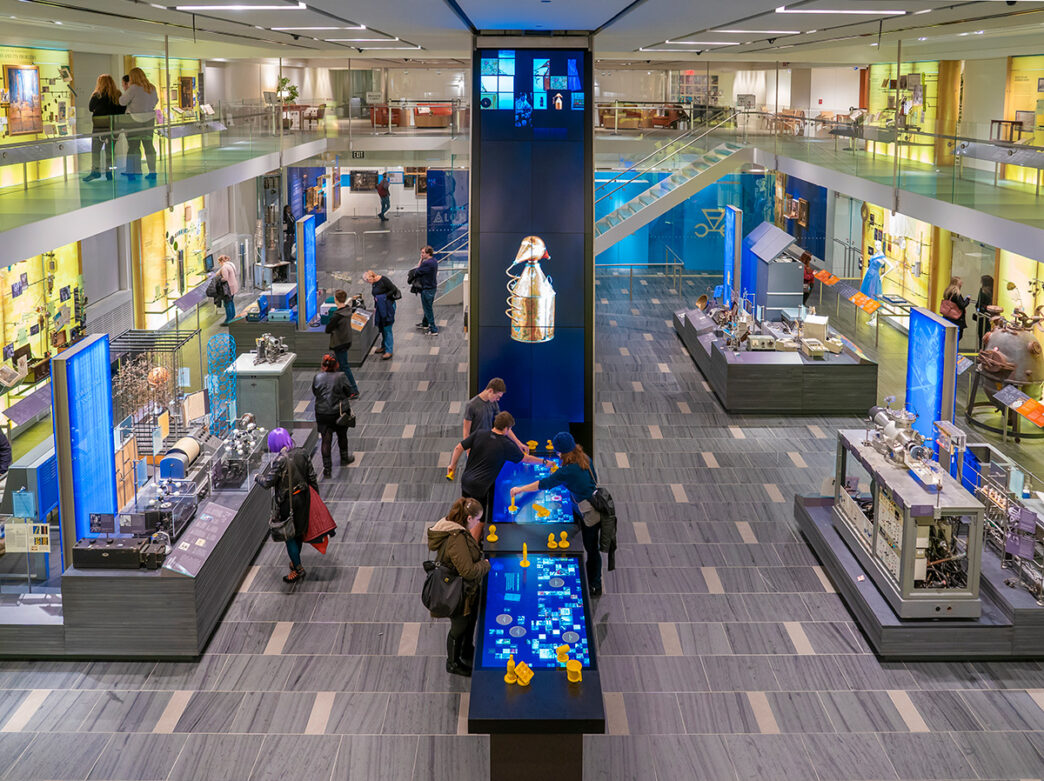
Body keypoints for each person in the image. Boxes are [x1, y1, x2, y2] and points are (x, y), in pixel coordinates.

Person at [510, 432, 603, 596]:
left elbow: (544, 484)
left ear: (561, 452)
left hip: (589, 513)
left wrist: (520, 489)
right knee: (588, 544)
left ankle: (595, 583)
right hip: (583, 504)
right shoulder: (584, 458)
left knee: (591, 548)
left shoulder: (567, 471)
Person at [427, 497, 489, 676]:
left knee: (467, 622)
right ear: (469, 518)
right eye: (477, 520)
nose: (478, 523)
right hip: (457, 592)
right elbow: (468, 571)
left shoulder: (454, 526)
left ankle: (466, 650)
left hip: (461, 588)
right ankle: (453, 663)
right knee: (459, 626)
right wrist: (485, 564)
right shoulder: (457, 539)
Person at [446, 411, 550, 517]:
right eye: (509, 429)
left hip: (466, 480)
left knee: (466, 510)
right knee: (478, 518)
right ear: (506, 429)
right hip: (480, 486)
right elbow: (526, 459)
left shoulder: (479, 433)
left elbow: (458, 447)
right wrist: (544, 461)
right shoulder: (506, 445)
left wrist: (452, 465)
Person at [256, 428, 318, 584]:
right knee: (298, 531)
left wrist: (257, 477)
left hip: (288, 502)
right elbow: (311, 476)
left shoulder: (280, 460)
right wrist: (315, 497)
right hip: (304, 498)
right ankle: (295, 560)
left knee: (289, 535)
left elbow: (268, 483)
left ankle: (298, 569)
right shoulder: (302, 453)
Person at [312, 354, 355, 478]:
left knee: (326, 440)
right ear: (336, 365)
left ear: (323, 365)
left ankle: (327, 469)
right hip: (339, 413)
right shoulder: (341, 376)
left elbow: (315, 392)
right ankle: (344, 458)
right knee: (342, 435)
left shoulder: (317, 377)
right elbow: (349, 391)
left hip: (322, 413)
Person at [461, 378, 529, 454]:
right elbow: (466, 432)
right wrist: (468, 453)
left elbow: (504, 425)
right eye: (498, 397)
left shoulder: (493, 403)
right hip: (476, 447)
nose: (498, 399)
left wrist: (518, 443)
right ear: (490, 391)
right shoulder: (471, 405)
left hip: (488, 445)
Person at [118, 67, 159, 181]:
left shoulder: (133, 88)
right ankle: (152, 171)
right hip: (149, 121)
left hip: (134, 121)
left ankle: (132, 171)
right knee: (149, 146)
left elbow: (122, 101)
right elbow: (155, 101)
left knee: (133, 147)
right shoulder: (152, 87)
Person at [83, 75, 125, 182]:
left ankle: (95, 172)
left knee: (96, 150)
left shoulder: (97, 95)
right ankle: (109, 172)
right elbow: (122, 110)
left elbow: (90, 108)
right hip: (113, 127)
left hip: (99, 127)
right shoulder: (118, 94)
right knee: (110, 151)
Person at [324, 289, 360, 399]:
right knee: (340, 366)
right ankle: (341, 388)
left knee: (344, 366)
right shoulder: (348, 310)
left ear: (335, 300)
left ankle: (354, 390)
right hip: (347, 340)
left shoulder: (337, 316)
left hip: (339, 343)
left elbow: (328, 329)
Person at [364, 269, 400, 360]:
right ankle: (384, 346)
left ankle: (389, 351)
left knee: (387, 327)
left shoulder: (384, 280)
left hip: (388, 306)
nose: (367, 282)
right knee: (382, 326)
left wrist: (383, 297)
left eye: (367, 280)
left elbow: (393, 289)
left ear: (371, 277)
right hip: (381, 307)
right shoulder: (374, 283)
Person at [413, 245, 440, 335]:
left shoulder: (427, 263)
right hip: (432, 287)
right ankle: (425, 323)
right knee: (427, 307)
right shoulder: (434, 261)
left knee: (428, 309)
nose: (422, 254)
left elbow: (416, 272)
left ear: (428, 253)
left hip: (427, 289)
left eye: (423, 253)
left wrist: (421, 260)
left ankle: (433, 329)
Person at [941, 276, 970, 343]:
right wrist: (967, 299)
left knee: (949, 337)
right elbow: (962, 305)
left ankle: (949, 351)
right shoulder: (956, 293)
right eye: (961, 283)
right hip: (956, 318)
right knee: (957, 336)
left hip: (948, 317)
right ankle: (953, 352)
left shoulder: (947, 291)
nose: (962, 284)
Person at [216, 255, 239, 324]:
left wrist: (218, 279)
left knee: (227, 303)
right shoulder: (231, 264)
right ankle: (232, 317)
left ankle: (228, 320)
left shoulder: (224, 267)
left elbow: (225, 278)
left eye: (219, 262)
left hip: (228, 288)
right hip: (234, 286)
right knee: (231, 302)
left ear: (221, 261)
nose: (219, 264)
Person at [975, 274, 995, 347]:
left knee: (981, 335)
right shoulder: (994, 291)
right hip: (991, 316)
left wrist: (978, 310)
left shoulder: (982, 291)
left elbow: (978, 304)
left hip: (983, 316)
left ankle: (981, 350)